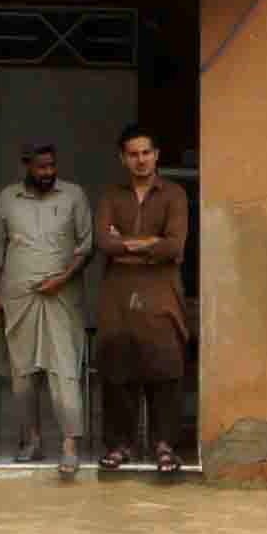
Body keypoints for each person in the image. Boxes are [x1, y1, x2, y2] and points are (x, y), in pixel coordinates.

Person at [0, 140, 95, 480]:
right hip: (18, 298)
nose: (48, 172)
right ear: (27, 165)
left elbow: (86, 247)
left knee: (65, 372)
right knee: (23, 376)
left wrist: (62, 278)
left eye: (51, 166)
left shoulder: (73, 195)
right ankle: (30, 440)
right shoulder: (7, 198)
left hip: (63, 299)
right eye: (41, 167)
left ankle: (70, 446)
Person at [92, 128, 196, 478]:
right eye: (133, 154)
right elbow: (103, 243)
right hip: (117, 295)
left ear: (157, 155)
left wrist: (130, 244)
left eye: (146, 153)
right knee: (117, 368)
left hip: (161, 294)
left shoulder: (174, 195)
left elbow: (174, 246)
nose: (140, 160)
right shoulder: (110, 195)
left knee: (165, 367)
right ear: (123, 158)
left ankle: (165, 446)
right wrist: (150, 244)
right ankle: (119, 445)